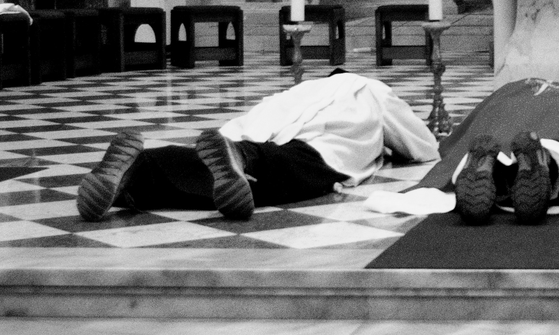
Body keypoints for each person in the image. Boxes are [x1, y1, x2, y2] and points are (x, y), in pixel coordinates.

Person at [76, 71, 439, 221]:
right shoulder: (370, 87)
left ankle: (136, 170)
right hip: (322, 147)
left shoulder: (305, 88)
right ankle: (240, 160)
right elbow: (422, 146)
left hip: (251, 132)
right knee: (284, 173)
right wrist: (387, 148)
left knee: (199, 165)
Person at [386, 77, 559, 225]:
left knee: (499, 143)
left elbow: (454, 140)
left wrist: (452, 148)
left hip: (507, 113)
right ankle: (545, 164)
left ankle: (488, 167)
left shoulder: (510, 90)